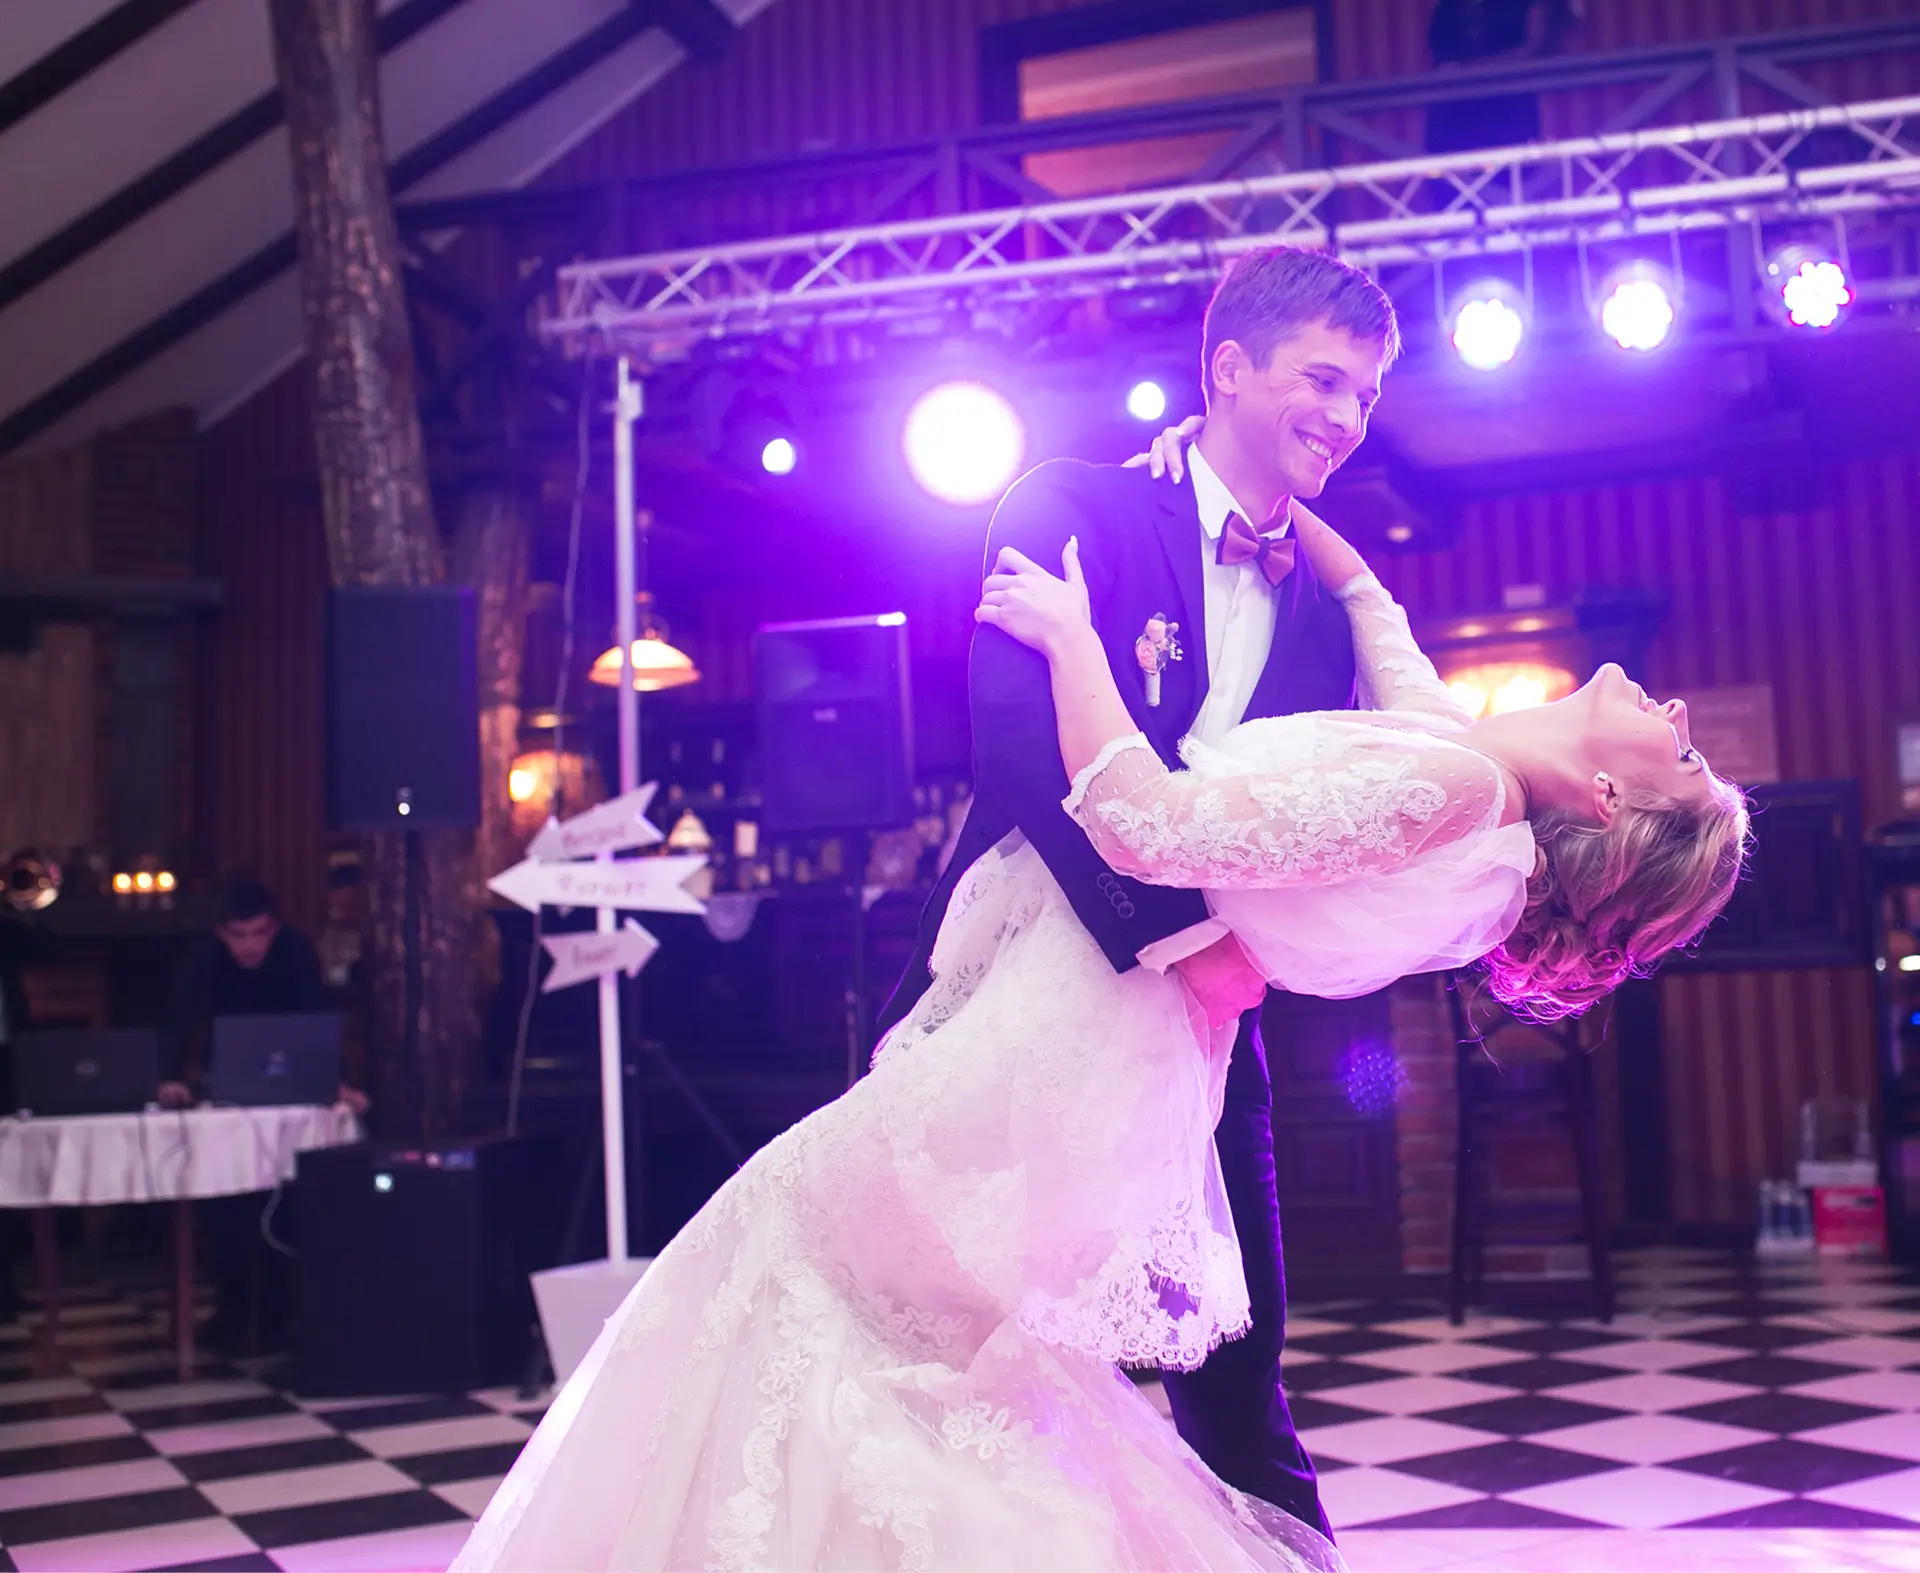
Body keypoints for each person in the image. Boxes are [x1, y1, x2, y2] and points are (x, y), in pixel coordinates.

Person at [450, 448, 1745, 1571]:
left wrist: (1074, 639)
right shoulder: (1472, 778)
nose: (1679, 712)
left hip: (1080, 1018)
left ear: (1613, 806)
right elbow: (1378, 617)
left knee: (830, 1274)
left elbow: (1146, 827)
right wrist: (1266, 494)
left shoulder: (1465, 798)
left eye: (1683, 757)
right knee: (923, 1334)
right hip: (1099, 1011)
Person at [878, 245, 1397, 1538]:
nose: (1347, 416)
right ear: (1229, 369)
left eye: (1368, 394)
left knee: (1236, 1368)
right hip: (1025, 991)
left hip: (1207, 1035)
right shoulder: (1072, 507)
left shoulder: (1324, 614)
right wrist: (1177, 939)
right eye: (1323, 379)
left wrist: (1242, 954)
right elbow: (1015, 752)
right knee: (967, 1357)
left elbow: (1298, 812)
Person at [162, 876, 367, 1353]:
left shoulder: (295, 951)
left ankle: (281, 1317)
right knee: (227, 1204)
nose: (249, 946)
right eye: (238, 936)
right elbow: (178, 1018)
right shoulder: (203, 957)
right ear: (221, 933)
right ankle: (232, 1313)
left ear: (273, 928)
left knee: (288, 1202)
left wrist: (334, 1080)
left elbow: (318, 1017)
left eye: (258, 934)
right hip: (224, 1090)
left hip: (290, 1086)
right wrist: (168, 1075)